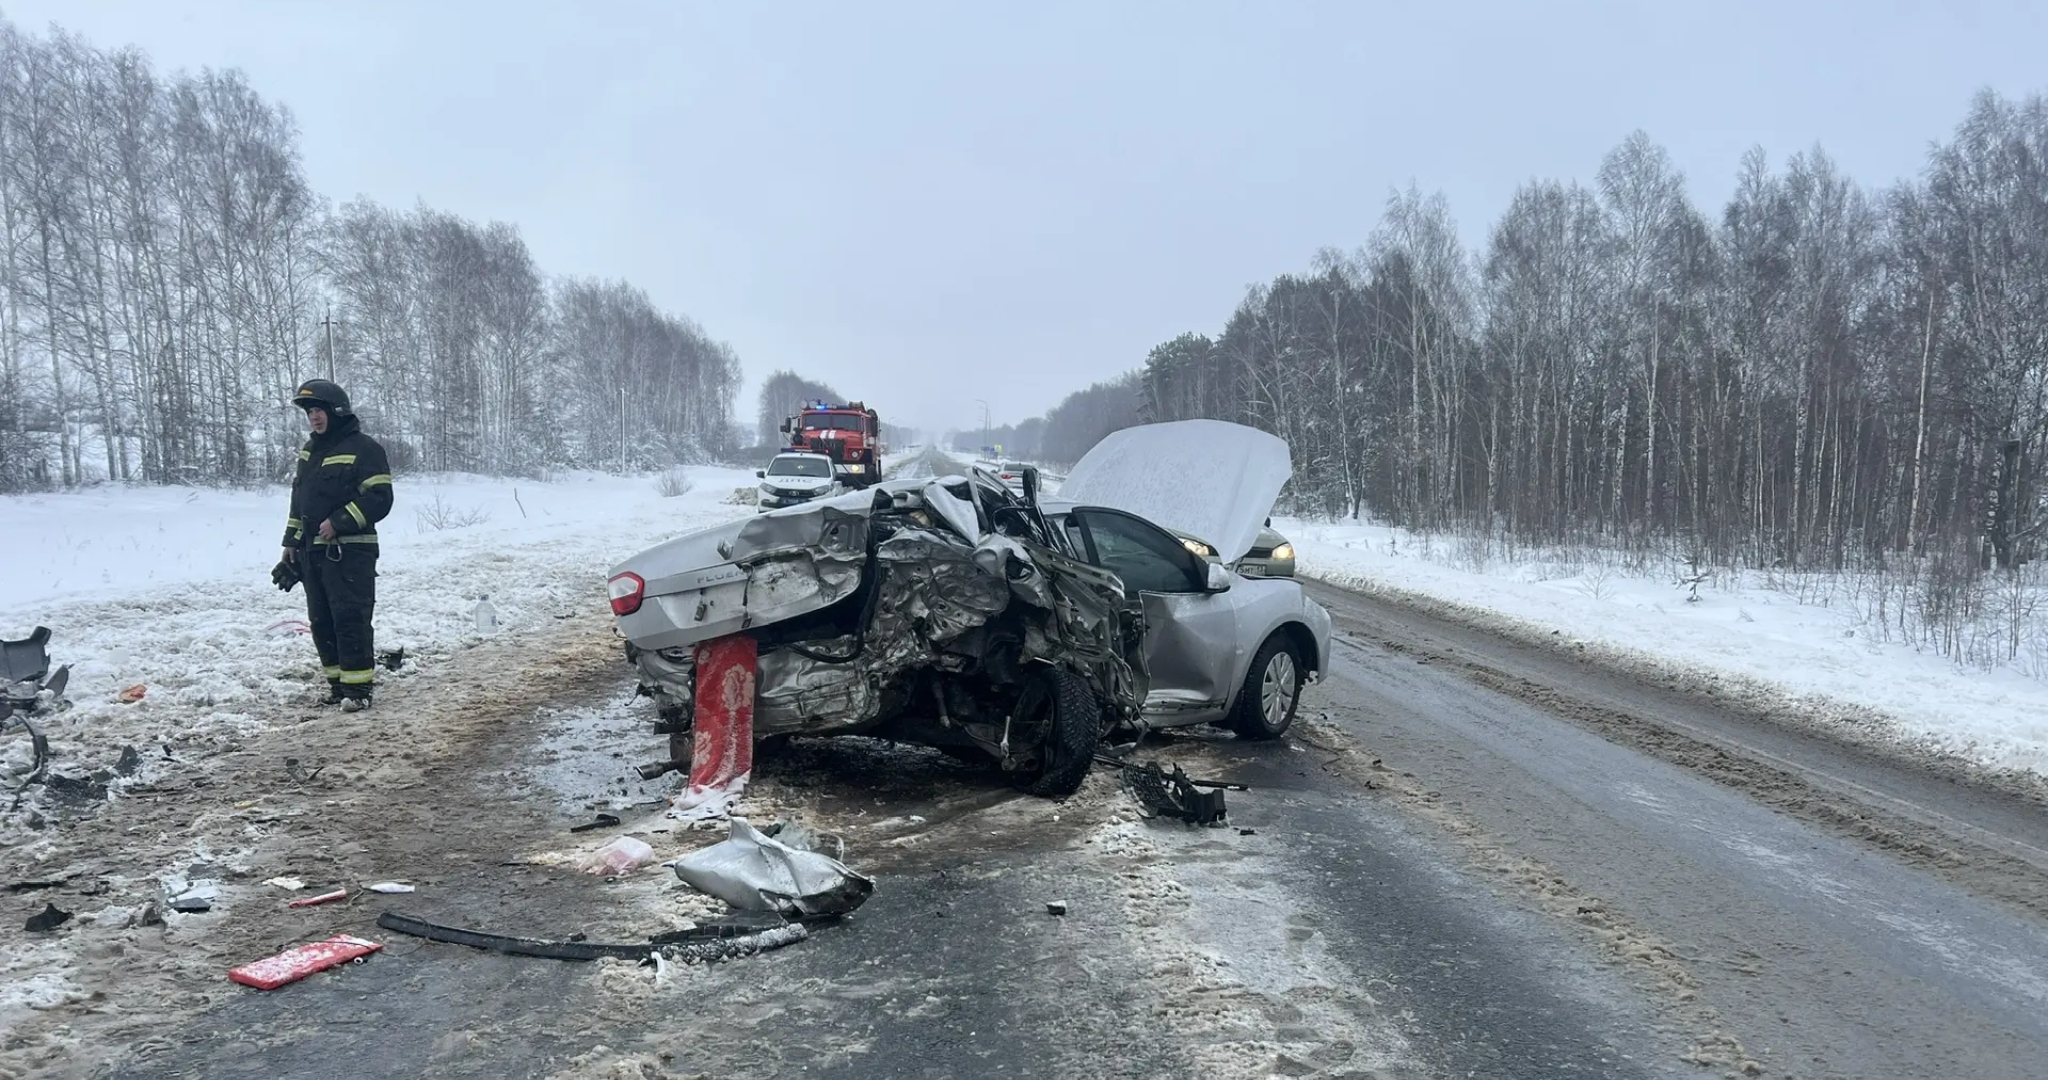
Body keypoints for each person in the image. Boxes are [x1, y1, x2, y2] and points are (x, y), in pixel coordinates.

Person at [277, 379, 394, 711]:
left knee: (350, 617)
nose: (315, 418)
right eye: (311, 412)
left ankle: (358, 691)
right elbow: (299, 500)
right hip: (313, 552)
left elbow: (380, 498)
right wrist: (291, 541)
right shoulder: (310, 451)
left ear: (337, 411)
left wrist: (339, 521)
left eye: (320, 411)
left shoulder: (365, 448)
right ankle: (338, 685)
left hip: (351, 551)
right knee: (321, 620)